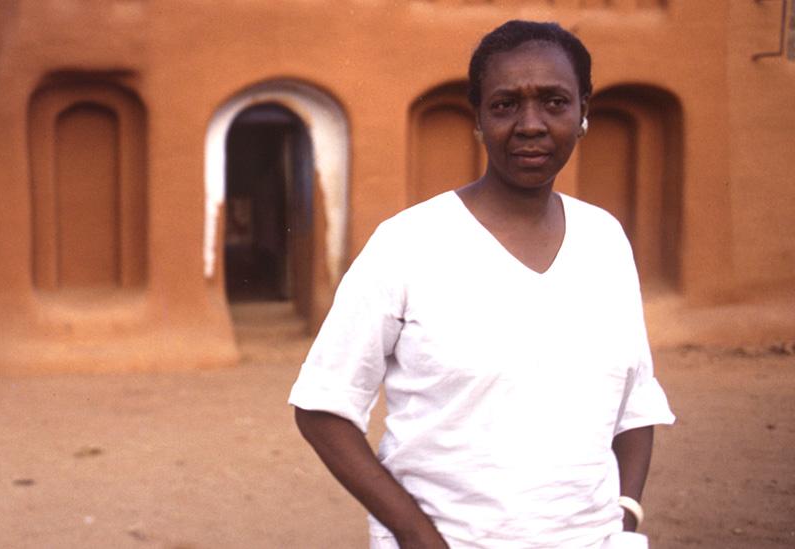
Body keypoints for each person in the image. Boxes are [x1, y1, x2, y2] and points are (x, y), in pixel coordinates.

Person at [288, 20, 675, 549]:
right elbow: (322, 406)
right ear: (478, 117)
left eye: (555, 102)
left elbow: (634, 403)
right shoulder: (408, 244)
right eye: (505, 105)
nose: (531, 124)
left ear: (585, 111)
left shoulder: (604, 239)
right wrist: (416, 535)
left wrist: (625, 515)